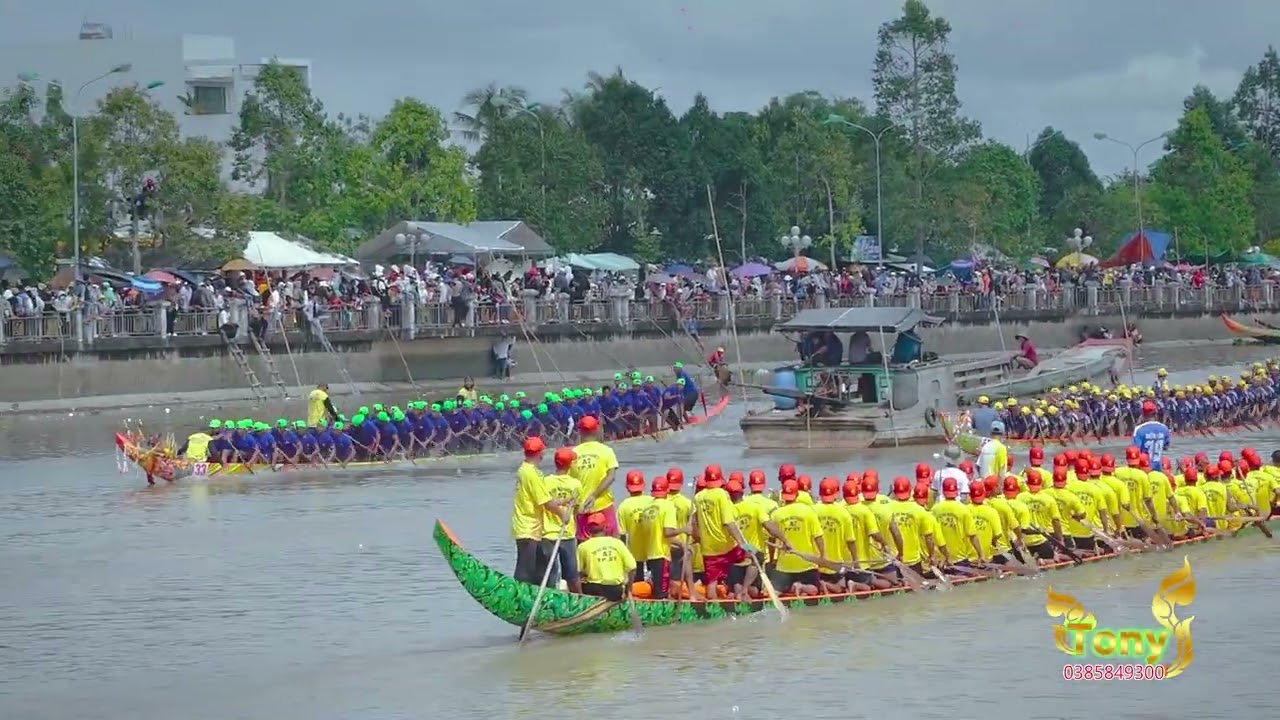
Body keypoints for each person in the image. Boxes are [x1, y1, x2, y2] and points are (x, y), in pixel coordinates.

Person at [692, 465, 757, 600]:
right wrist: (743, 543)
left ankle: (715, 606)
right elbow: (728, 522)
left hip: (708, 548)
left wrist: (698, 538)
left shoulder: (698, 497)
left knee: (711, 582)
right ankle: (743, 592)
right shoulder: (722, 494)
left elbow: (694, 522)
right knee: (755, 557)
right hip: (726, 545)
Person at [511, 437, 570, 585]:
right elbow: (546, 502)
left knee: (538, 568)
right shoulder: (533, 474)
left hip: (528, 526)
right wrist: (563, 515)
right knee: (526, 570)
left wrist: (563, 502)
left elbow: (541, 498)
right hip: (528, 527)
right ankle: (520, 596)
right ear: (540, 453)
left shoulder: (523, 469)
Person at [541, 447, 584, 592]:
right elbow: (578, 510)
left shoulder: (544, 482)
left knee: (550, 575)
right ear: (570, 465)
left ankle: (549, 600)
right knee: (572, 575)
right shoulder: (576, 484)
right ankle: (579, 600)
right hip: (567, 533)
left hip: (547, 533)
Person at [571, 416, 621, 539]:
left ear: (580, 431)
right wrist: (594, 495)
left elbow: (569, 483)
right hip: (603, 503)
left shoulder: (572, 453)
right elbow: (611, 477)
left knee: (584, 546)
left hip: (581, 507)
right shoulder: (606, 451)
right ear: (596, 430)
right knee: (613, 541)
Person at [576, 513, 637, 601]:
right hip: (615, 589)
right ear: (606, 527)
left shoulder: (583, 547)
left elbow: (577, 573)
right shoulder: (618, 543)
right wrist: (629, 590)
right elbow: (632, 568)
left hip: (593, 589)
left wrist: (580, 595)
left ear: (588, 529)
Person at [1131, 401, 1171, 466]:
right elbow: (1166, 447)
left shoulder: (1139, 429)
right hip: (1158, 467)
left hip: (1144, 467)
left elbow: (1135, 450)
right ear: (1155, 413)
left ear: (1142, 414)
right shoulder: (1164, 428)